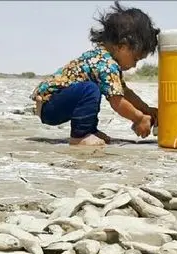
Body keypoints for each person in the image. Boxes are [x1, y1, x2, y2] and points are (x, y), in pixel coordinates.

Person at [30, 1, 160, 146]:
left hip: (54, 104)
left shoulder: (105, 60)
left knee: (90, 90)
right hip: (50, 106)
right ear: (123, 46)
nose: (135, 65)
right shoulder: (106, 64)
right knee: (90, 90)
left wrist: (146, 109)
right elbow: (117, 102)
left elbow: (125, 93)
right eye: (135, 58)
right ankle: (80, 135)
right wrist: (139, 118)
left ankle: (89, 130)